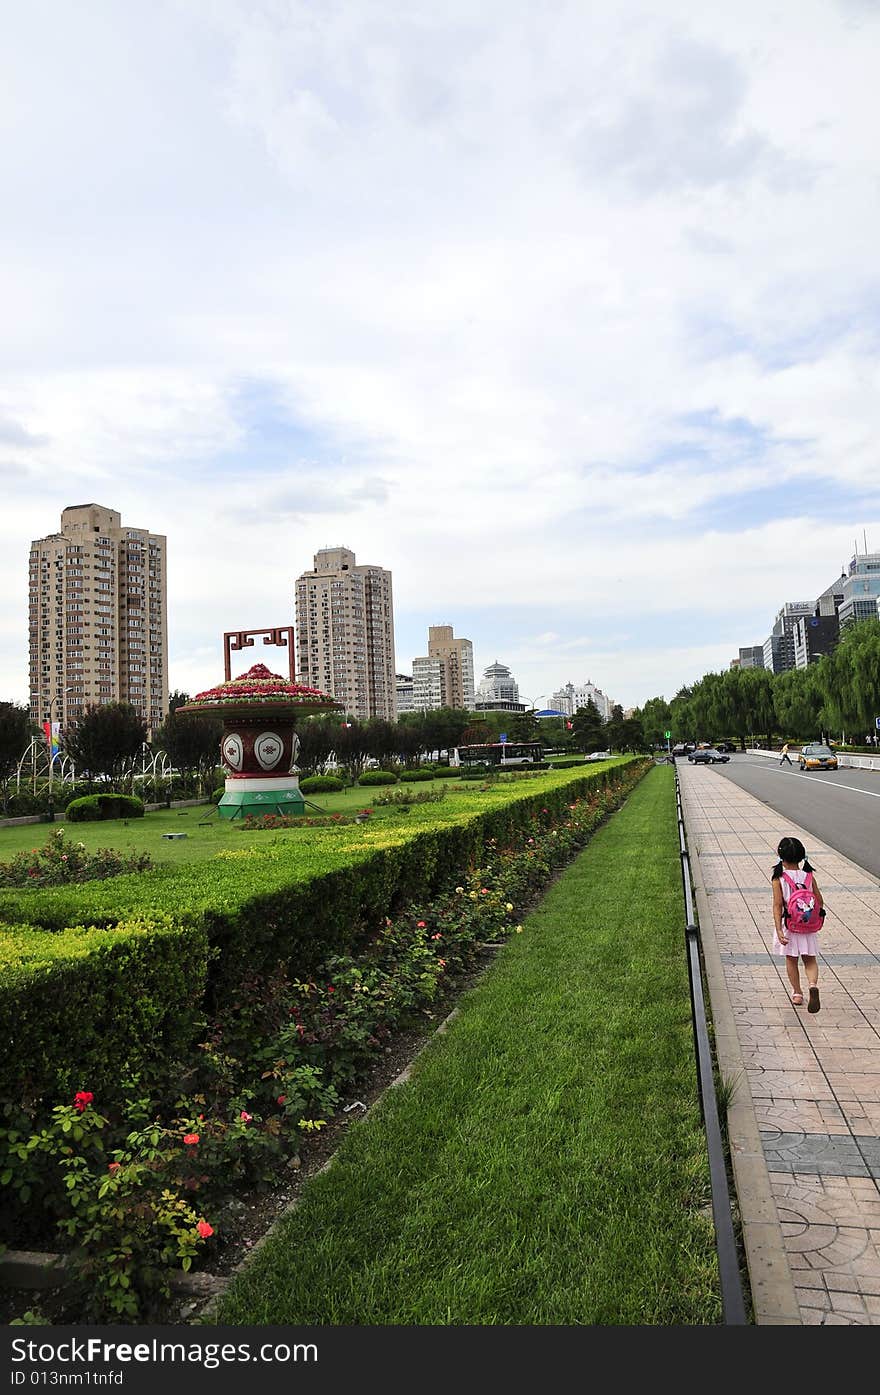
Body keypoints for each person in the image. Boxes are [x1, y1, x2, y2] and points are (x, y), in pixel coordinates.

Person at [771, 836, 824, 1012]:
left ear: (781, 857)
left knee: (791, 960)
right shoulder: (808, 876)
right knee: (810, 959)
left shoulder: (779, 879)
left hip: (790, 926)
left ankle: (797, 993)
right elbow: (819, 901)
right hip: (807, 926)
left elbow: (778, 905)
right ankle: (812, 984)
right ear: (802, 856)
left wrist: (779, 929)